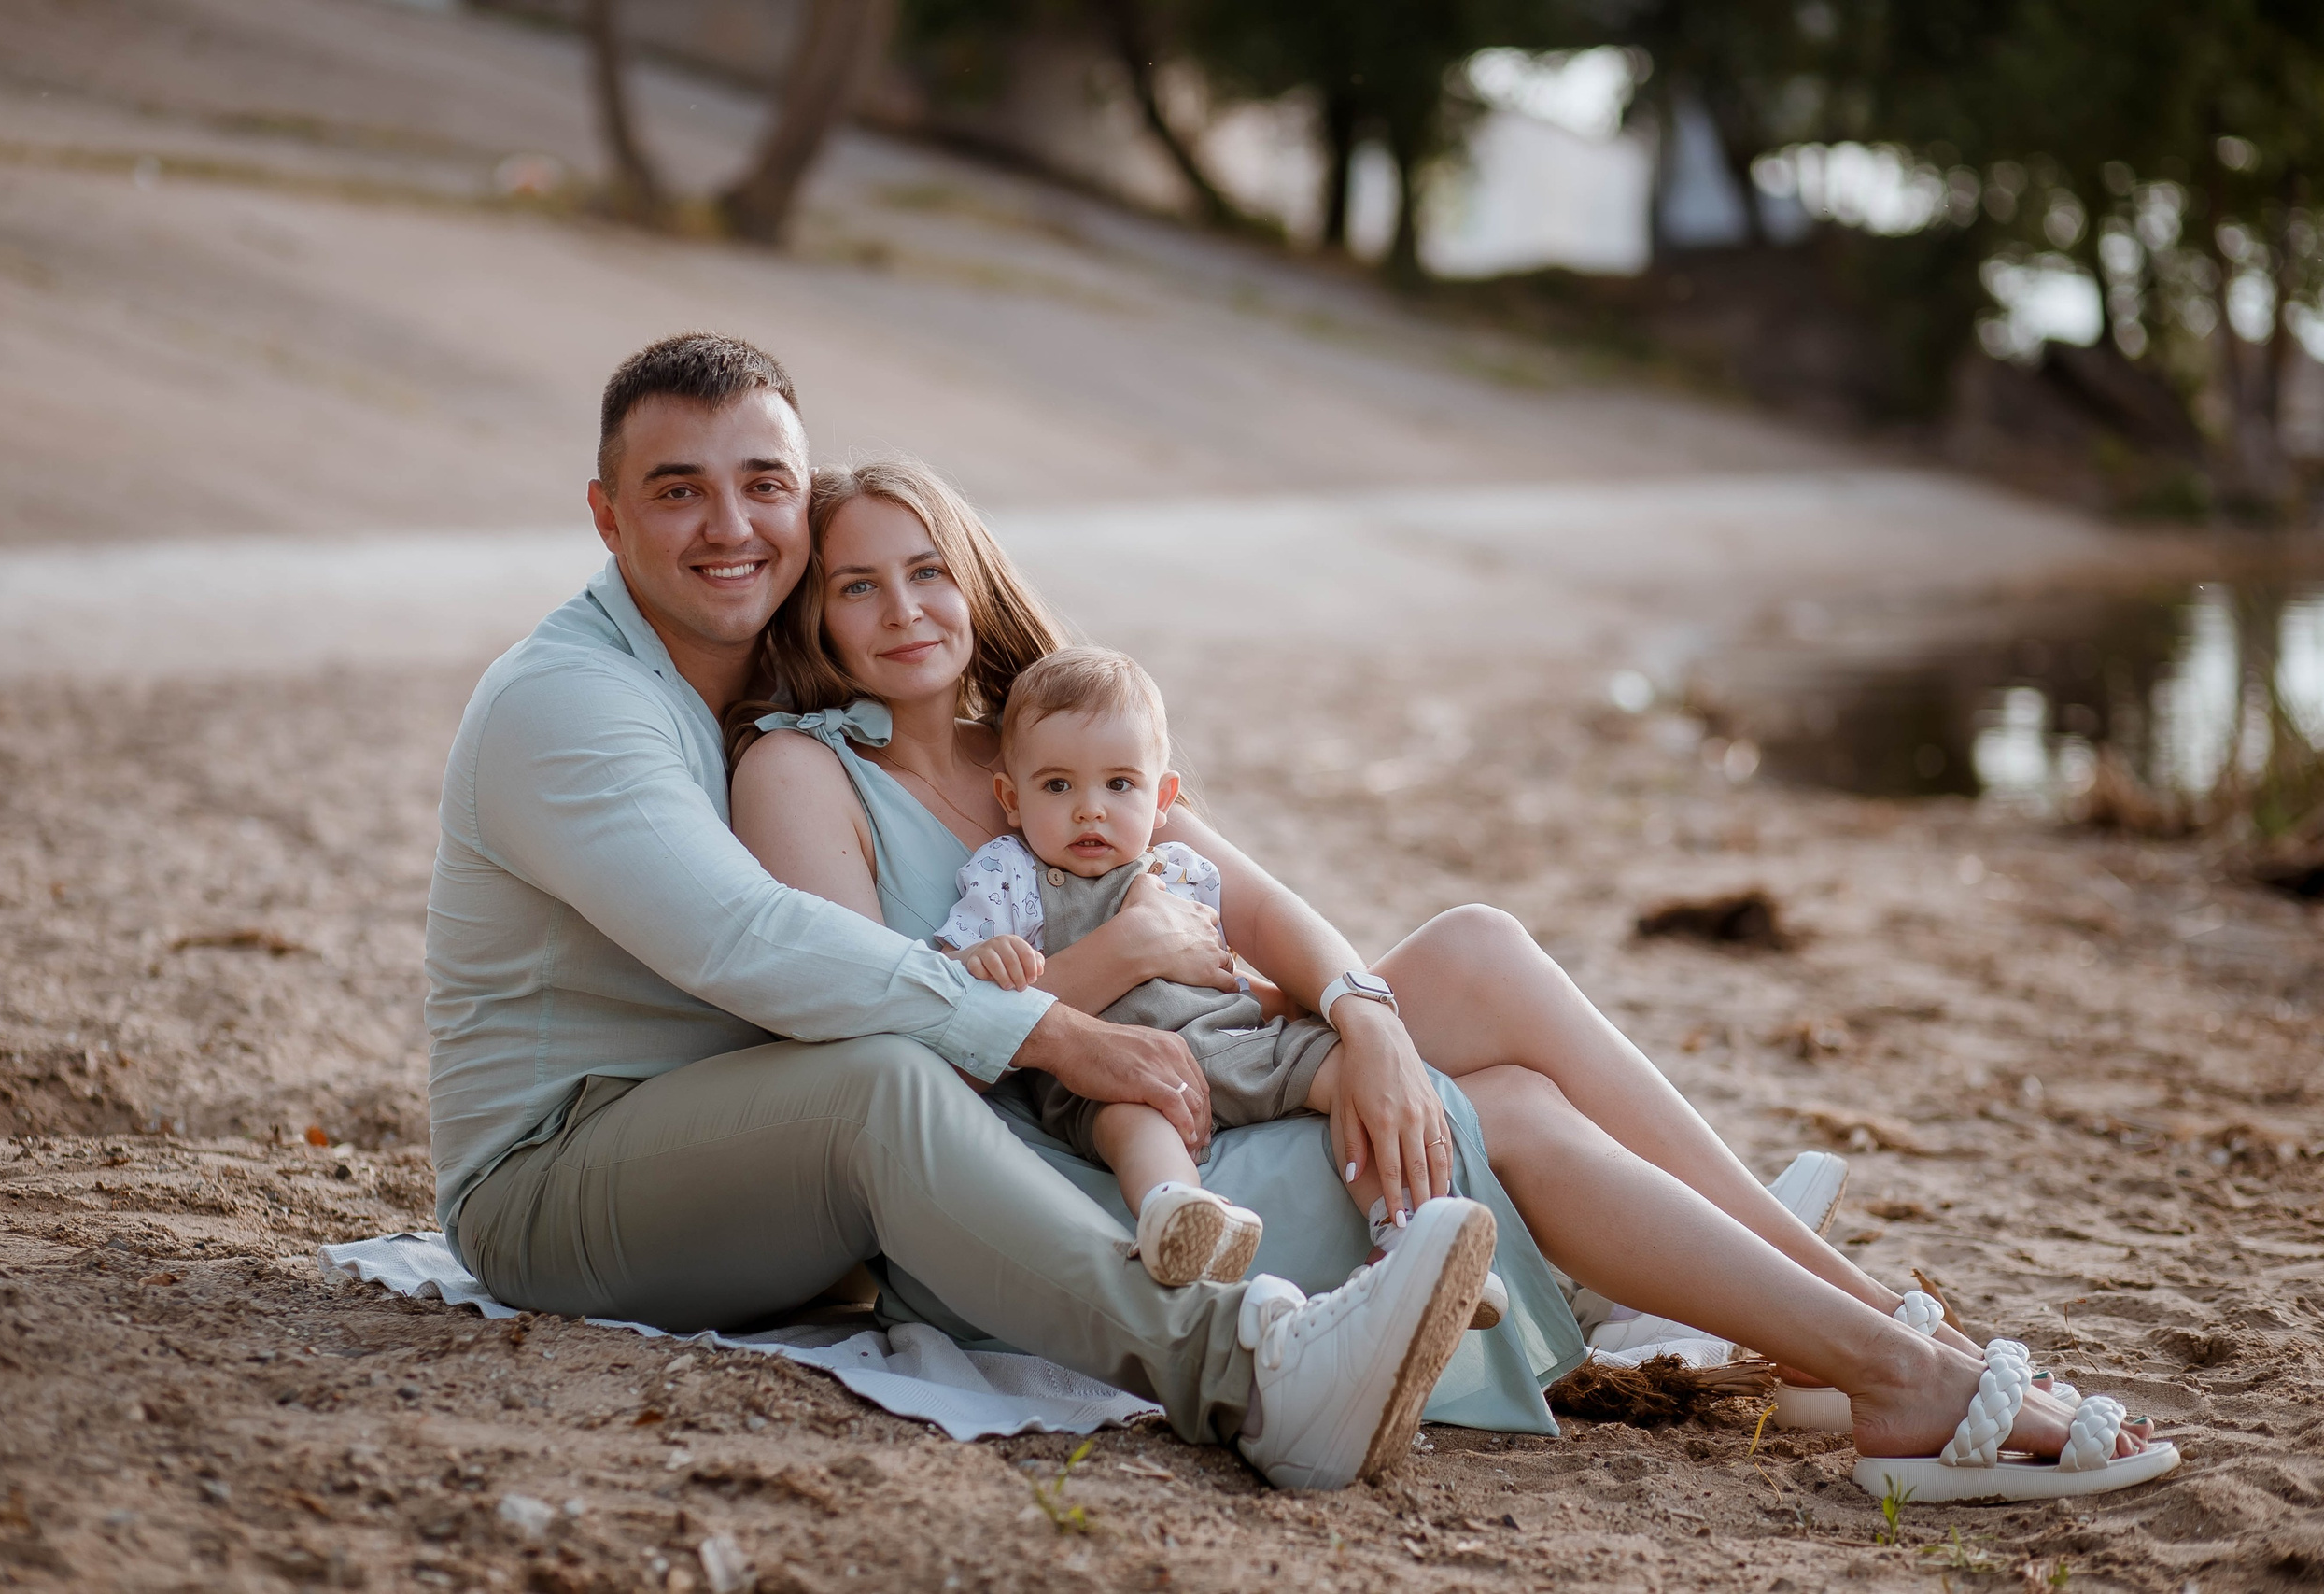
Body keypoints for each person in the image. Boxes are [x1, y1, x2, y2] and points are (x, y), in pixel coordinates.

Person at [730, 451, 2173, 1496]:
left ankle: (1852, 1317)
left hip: (1215, 1067)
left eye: (928, 568)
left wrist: (1363, 1017)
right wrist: (1119, 957)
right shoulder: (804, 770)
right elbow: (888, 1036)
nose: (904, 607)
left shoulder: (1050, 729)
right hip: (1070, 1168)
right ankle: (1891, 1366)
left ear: (974, 575)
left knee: (1472, 950)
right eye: (859, 584)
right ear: (817, 615)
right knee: (1516, 1110)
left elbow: (1263, 907)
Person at [424, 331, 1504, 1492]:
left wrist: (1340, 1001)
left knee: (1475, 1017)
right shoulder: (570, 702)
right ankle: (1251, 1373)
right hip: (557, 1178)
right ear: (606, 515)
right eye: (678, 491)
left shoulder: (769, 680)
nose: (730, 526)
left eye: (765, 485)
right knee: (879, 1083)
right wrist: (1054, 1029)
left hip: (747, 1144)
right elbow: (744, 937)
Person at [927, 643, 1509, 1328]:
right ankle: (1179, 1213)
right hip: (1111, 1071)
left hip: (1233, 1042)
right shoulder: (1007, 875)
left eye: (1119, 785)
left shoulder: (1181, 872)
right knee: (1129, 1123)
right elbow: (945, 982)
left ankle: (1410, 1233)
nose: (1090, 810)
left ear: (1161, 798)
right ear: (1011, 799)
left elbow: (1224, 976)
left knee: (1348, 1068)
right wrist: (986, 956)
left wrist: (1298, 1008)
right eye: (1057, 786)